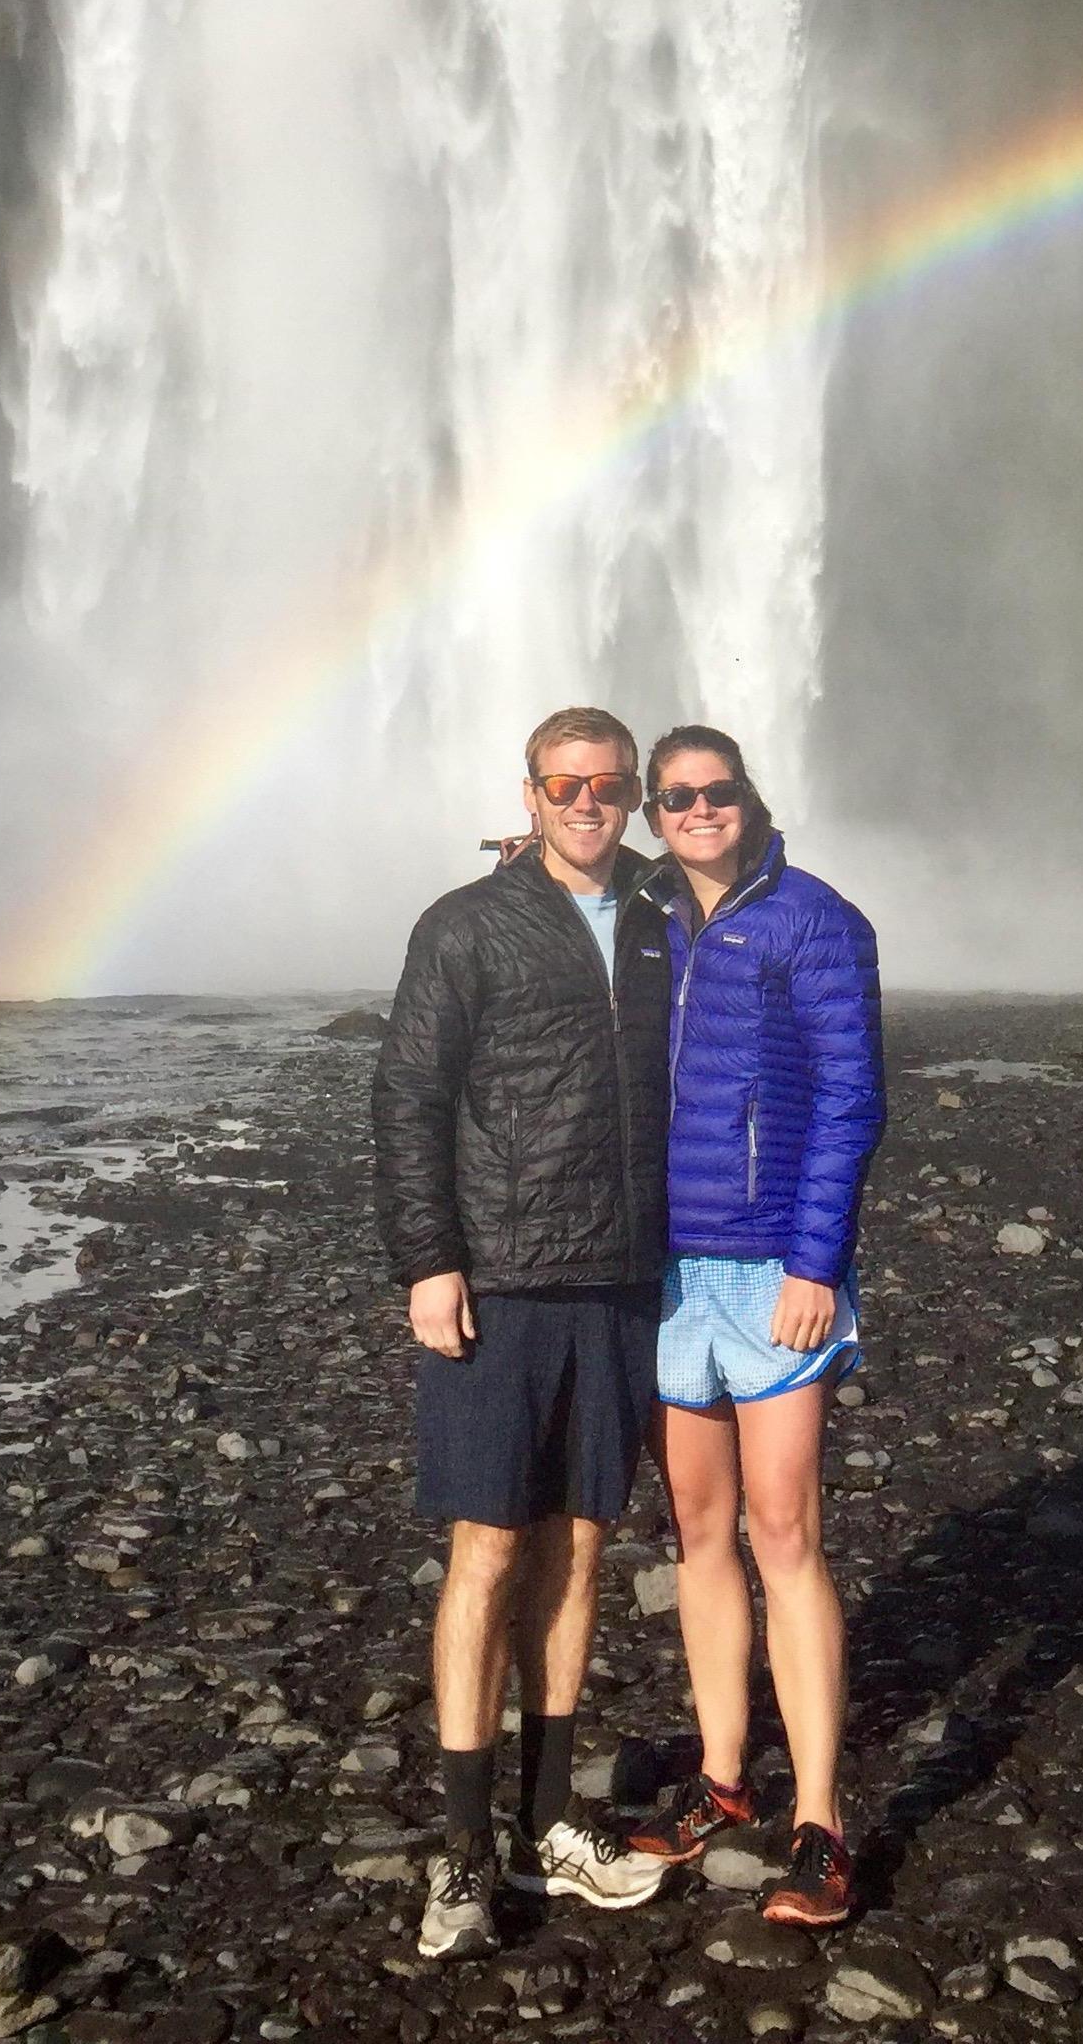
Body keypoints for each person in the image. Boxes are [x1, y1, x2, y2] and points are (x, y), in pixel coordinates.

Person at [371, 706, 681, 1961]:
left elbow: (744, 848)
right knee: (488, 1550)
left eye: (610, 785)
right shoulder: (465, 925)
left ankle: (554, 1820)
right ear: (531, 790)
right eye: (565, 783)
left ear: (635, 798)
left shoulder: (665, 920)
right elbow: (407, 1099)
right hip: (498, 1281)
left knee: (582, 1548)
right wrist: (428, 1263)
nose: (587, 801)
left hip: (616, 1281)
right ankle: (460, 1854)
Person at [623, 725, 885, 1929]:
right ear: (651, 813)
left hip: (775, 1267)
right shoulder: (649, 913)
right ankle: (725, 1781)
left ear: (748, 797)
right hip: (672, 1272)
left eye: (716, 793)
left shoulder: (816, 919)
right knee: (699, 1530)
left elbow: (851, 1097)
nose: (699, 811)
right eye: (675, 798)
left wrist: (818, 1263)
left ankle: (821, 1821)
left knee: (786, 1531)